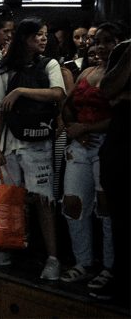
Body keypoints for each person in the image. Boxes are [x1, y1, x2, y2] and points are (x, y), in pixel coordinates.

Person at [0, 17, 65, 280]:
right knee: (8, 201)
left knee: (44, 201)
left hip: (39, 143)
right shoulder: (3, 70)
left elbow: (58, 94)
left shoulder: (49, 64)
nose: (43, 39)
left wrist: (20, 91)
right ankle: (5, 249)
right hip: (10, 145)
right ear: (24, 38)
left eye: (45, 34)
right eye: (37, 35)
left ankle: (53, 258)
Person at [60, 28, 114, 291]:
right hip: (80, 144)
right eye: (97, 43)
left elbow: (122, 116)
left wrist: (87, 130)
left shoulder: (121, 75)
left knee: (106, 209)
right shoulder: (86, 73)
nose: (101, 48)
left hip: (108, 144)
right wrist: (74, 128)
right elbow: (67, 105)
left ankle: (110, 266)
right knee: (72, 203)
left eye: (108, 42)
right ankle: (83, 261)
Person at [96, 22, 130, 302]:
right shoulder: (123, 52)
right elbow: (107, 90)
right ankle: (120, 276)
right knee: (120, 217)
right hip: (120, 144)